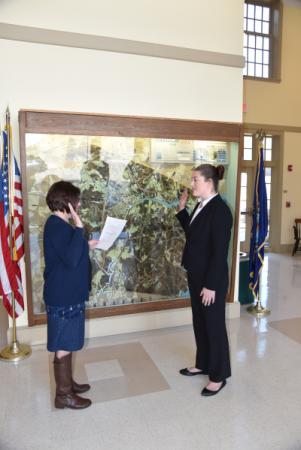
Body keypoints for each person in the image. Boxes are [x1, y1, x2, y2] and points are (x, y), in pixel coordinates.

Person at [176, 164, 233, 397]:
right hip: (197, 274)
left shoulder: (220, 211)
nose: (192, 184)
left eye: (195, 180)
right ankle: (203, 363)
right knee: (200, 321)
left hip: (212, 280)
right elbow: (195, 236)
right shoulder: (201, 205)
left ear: (209, 182)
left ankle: (218, 375)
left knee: (214, 325)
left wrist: (210, 285)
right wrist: (182, 211)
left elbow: (219, 253)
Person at [43, 181, 98, 409]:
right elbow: (72, 259)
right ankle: (63, 394)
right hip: (63, 294)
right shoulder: (58, 225)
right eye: (77, 200)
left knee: (67, 340)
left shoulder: (59, 225)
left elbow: (69, 252)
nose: (79, 203)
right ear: (68, 203)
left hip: (67, 293)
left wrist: (87, 245)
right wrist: (79, 226)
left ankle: (67, 384)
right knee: (64, 342)